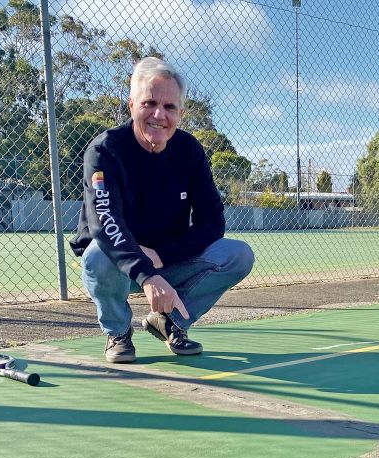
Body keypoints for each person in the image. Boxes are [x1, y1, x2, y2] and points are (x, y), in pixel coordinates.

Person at [70, 57, 254, 363]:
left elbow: (212, 222)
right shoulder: (104, 151)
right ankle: (117, 332)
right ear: (132, 106)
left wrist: (163, 256)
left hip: (169, 259)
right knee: (97, 254)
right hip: (119, 265)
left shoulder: (189, 150)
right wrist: (145, 272)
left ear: (180, 113)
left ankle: (170, 322)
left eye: (169, 107)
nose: (159, 115)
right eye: (149, 103)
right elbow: (104, 222)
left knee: (238, 255)